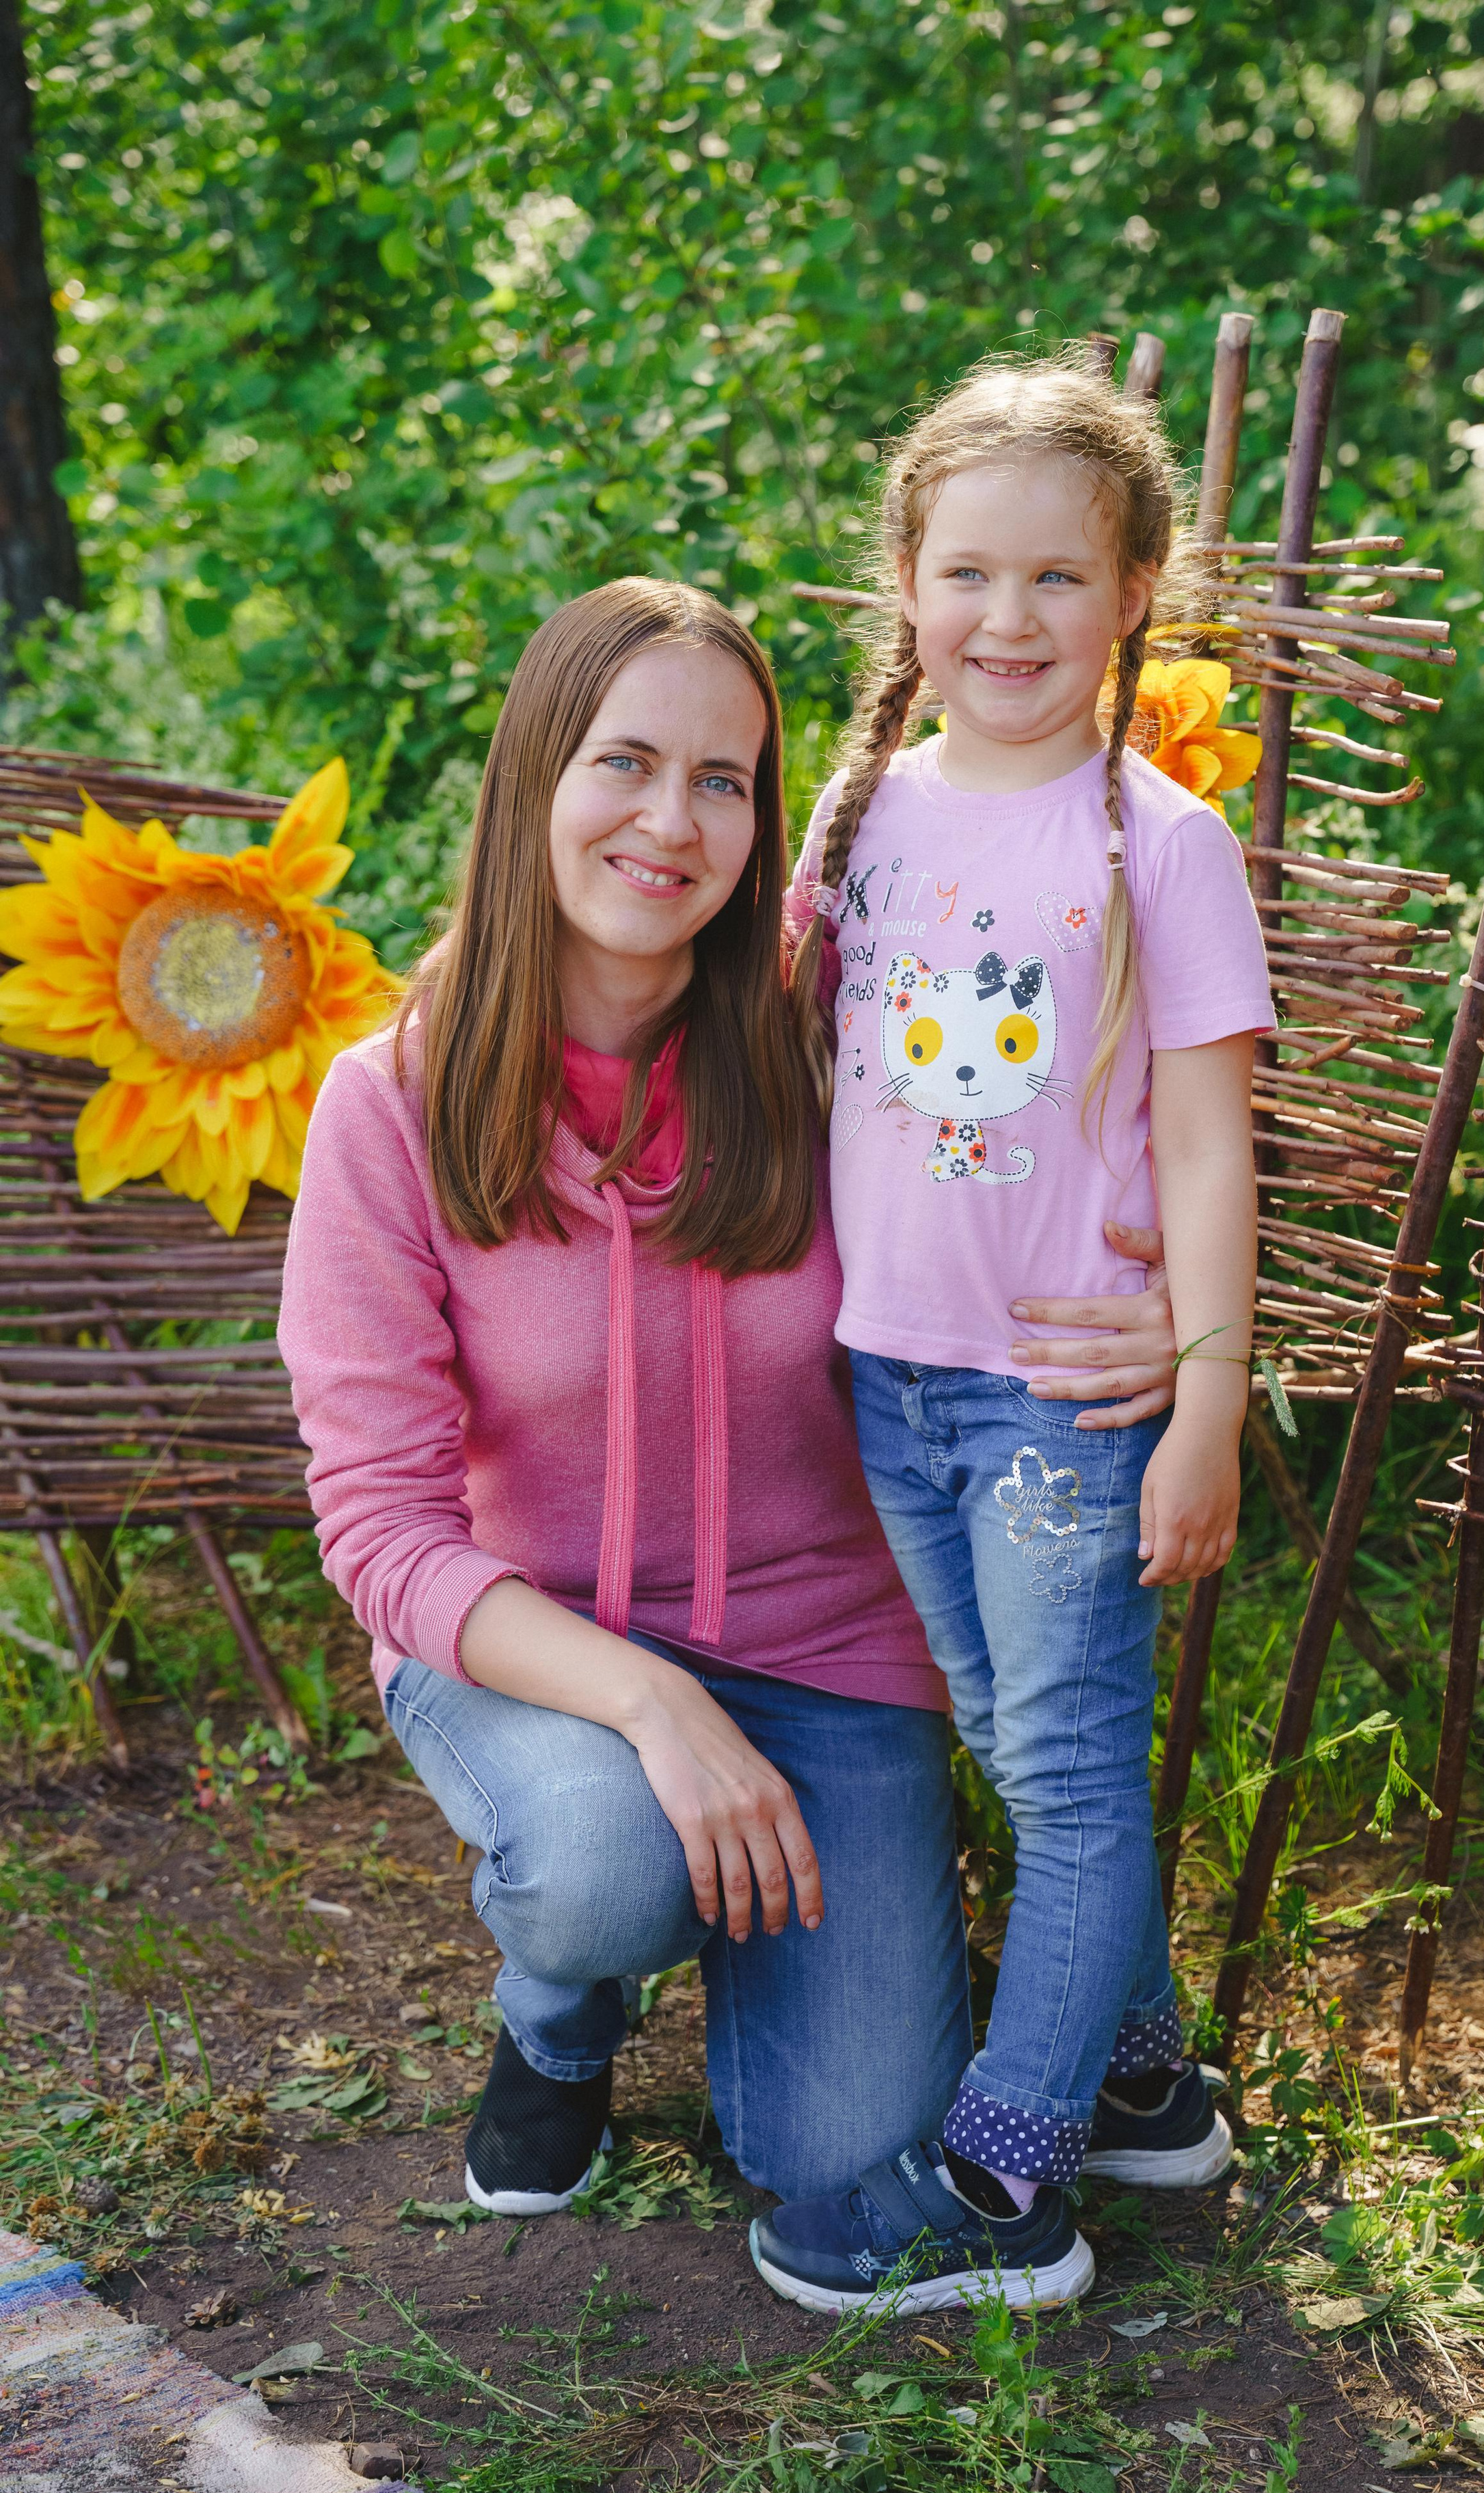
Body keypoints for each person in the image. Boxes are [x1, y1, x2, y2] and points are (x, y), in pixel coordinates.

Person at [277, 575, 1187, 2220]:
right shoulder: (390, 1103)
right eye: (624, 762)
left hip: (833, 1656)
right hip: (536, 1660)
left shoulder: (828, 1028)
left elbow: (1054, 1149)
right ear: (535, 777)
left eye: (722, 780)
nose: (669, 822)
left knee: (846, 2158)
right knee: (605, 1864)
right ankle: (559, 2025)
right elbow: (382, 1532)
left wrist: (1167, 1315)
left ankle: (858, 1950)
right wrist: (646, 1703)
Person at [749, 351, 1273, 2317]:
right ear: (908, 582)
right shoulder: (867, 809)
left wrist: (1207, 1391)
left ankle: (1009, 2177)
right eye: (968, 573)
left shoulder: (1157, 843)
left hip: (1065, 1396)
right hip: (889, 1381)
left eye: (1058, 578)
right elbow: (789, 1040)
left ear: (1138, 588)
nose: (1009, 619)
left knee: (1063, 1779)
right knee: (1011, 1740)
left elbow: (1214, 1142)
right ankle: (1144, 2085)